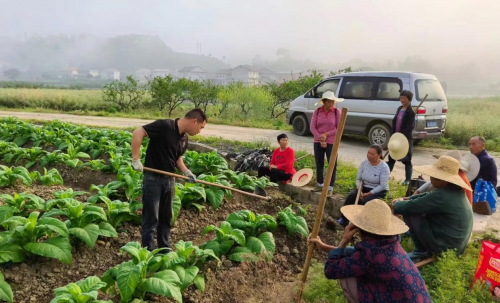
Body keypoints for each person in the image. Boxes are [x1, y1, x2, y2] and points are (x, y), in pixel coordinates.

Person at [309, 199, 431, 303]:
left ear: (359, 229)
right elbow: (355, 253)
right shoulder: (392, 244)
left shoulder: (368, 254)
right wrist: (325, 247)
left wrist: (344, 240)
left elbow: (331, 270)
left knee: (347, 275)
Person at [131, 108, 207, 251]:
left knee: (166, 218)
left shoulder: (184, 138)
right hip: (153, 179)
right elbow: (138, 133)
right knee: (151, 219)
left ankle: (164, 250)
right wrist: (136, 159)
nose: (200, 131)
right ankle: (148, 254)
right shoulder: (164, 126)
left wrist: (186, 171)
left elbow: (176, 157)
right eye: (201, 127)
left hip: (169, 180)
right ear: (194, 121)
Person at [392, 155, 473, 262]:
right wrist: (407, 198)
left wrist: (397, 204)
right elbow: (425, 197)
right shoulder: (454, 190)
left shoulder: (442, 196)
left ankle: (421, 251)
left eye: (432, 177)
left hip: (445, 247)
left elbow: (411, 206)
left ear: (442, 180)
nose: (430, 179)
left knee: (410, 211)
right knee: (415, 206)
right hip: (456, 246)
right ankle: (421, 243)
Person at [337, 145, 390, 226]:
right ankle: (344, 218)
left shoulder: (384, 167)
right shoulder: (364, 163)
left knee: (364, 202)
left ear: (379, 155)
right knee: (351, 196)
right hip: (364, 187)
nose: (369, 156)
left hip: (378, 190)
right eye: (368, 153)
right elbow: (358, 179)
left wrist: (368, 194)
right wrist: (359, 190)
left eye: (372, 154)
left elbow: (383, 185)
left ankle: (357, 224)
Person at [310, 90, 343, 194]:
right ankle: (320, 184)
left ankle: (329, 187)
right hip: (318, 140)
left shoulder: (337, 112)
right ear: (324, 102)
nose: (331, 104)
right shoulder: (317, 111)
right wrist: (320, 138)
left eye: (333, 101)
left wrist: (326, 135)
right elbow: (312, 127)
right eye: (329, 101)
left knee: (332, 164)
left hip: (332, 141)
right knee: (319, 163)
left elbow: (338, 128)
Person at [387, 90, 416, 186]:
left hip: (405, 139)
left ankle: (407, 180)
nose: (402, 100)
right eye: (401, 98)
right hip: (396, 137)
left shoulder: (411, 112)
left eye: (404, 98)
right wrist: (394, 135)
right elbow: (394, 122)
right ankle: (385, 176)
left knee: (407, 159)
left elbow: (409, 127)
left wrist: (401, 136)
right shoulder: (400, 108)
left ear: (409, 99)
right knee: (391, 157)